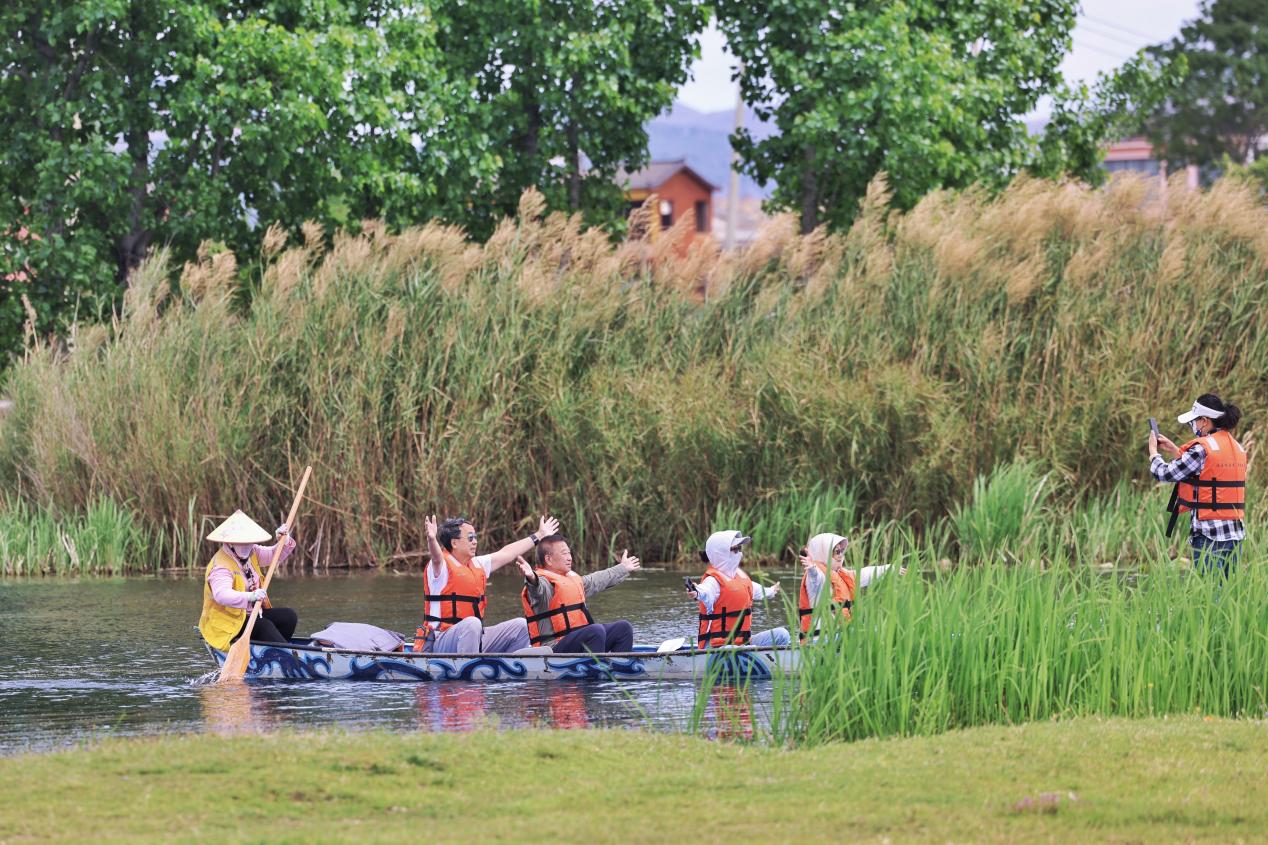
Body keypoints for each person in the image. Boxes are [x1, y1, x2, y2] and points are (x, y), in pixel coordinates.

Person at [413, 512, 560, 654]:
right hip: (440, 642)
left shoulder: (478, 564)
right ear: (454, 543)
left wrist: (539, 535)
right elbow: (436, 557)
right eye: (470, 538)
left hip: (474, 636)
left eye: (475, 537)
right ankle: (468, 667)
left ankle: (509, 665)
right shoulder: (440, 567)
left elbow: (507, 553)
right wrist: (431, 539)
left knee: (521, 626)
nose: (475, 541)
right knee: (472, 624)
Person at [1150, 393, 1247, 577]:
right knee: (1229, 591)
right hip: (1235, 535)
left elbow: (1164, 473)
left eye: (1193, 421)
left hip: (1209, 535)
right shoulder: (1237, 447)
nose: (1193, 426)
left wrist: (1153, 453)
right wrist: (1174, 450)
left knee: (1209, 591)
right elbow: (1209, 472)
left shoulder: (1201, 448)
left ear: (1204, 421)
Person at [517, 535, 640, 652]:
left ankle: (620, 665)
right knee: (595, 631)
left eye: (569, 553)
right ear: (548, 559)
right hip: (553, 648)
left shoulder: (572, 580)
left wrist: (623, 568)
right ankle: (594, 667)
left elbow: (597, 580)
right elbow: (536, 588)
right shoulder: (543, 583)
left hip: (579, 640)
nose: (569, 558)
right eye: (564, 553)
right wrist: (531, 577)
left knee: (623, 628)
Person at [198, 510, 298, 651]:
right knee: (264, 626)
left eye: (249, 542)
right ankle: (283, 654)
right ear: (230, 542)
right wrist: (250, 596)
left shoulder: (253, 551)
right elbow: (221, 594)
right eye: (241, 542)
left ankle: (273, 650)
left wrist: (284, 541)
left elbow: (272, 555)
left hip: (250, 615)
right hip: (228, 623)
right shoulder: (221, 566)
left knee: (288, 616)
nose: (246, 546)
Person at [690, 530, 790, 648]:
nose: (739, 553)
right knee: (731, 648)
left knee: (782, 634)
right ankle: (747, 652)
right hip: (716, 647)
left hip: (742, 643)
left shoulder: (740, 577)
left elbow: (758, 590)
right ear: (721, 553)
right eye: (735, 549)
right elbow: (705, 592)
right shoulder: (712, 581)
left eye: (739, 548)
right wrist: (697, 591)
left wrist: (771, 590)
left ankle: (754, 652)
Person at [797, 533, 856, 641]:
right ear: (824, 553)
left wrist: (889, 568)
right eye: (837, 552)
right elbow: (815, 578)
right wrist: (812, 569)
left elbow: (868, 573)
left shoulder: (842, 575)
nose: (841, 555)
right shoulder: (816, 577)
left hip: (836, 634)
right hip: (820, 639)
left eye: (842, 551)